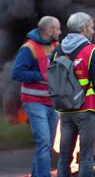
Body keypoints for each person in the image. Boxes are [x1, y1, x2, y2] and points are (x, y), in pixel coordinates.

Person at [12, 16, 61, 177]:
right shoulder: (28, 48)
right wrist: (41, 75)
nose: (60, 32)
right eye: (58, 29)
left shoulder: (56, 46)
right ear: (49, 30)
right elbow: (17, 73)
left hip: (52, 103)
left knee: (46, 145)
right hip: (34, 103)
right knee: (44, 143)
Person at [55, 12, 95, 177]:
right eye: (91, 27)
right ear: (83, 28)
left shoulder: (58, 50)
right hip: (86, 110)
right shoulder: (91, 50)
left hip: (65, 110)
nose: (93, 31)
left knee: (64, 157)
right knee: (86, 157)